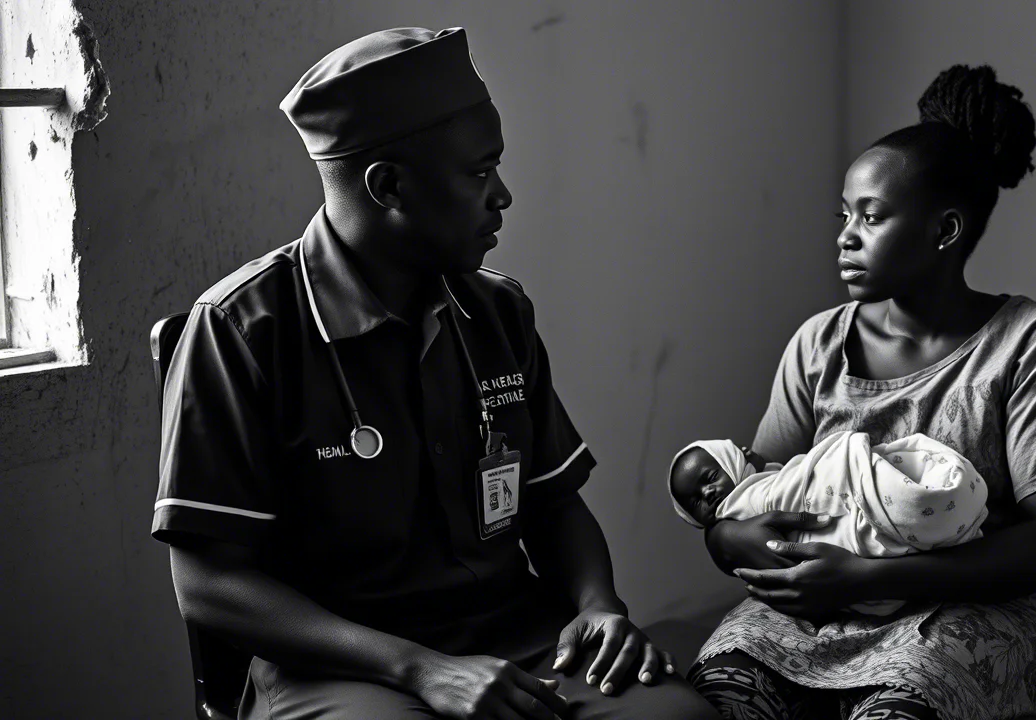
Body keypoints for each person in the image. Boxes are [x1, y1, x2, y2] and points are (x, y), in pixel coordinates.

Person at [152, 27, 717, 720]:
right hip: (342, 667)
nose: (503, 195)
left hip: (521, 642)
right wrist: (420, 669)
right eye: (479, 173)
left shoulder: (497, 310)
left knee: (680, 717)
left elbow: (553, 502)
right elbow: (208, 584)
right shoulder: (242, 330)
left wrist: (599, 607)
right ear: (389, 186)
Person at [689, 64, 1036, 720]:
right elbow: (758, 492)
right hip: (826, 608)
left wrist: (877, 577)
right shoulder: (819, 344)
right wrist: (730, 540)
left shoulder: (1032, 342)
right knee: (721, 699)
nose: (844, 236)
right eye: (844, 215)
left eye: (871, 217)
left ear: (944, 231)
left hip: (989, 613)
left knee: (899, 710)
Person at [669, 432, 989, 617]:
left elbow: (802, 479)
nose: (708, 493)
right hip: (816, 575)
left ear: (737, 459)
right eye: (696, 501)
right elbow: (774, 487)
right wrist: (722, 536)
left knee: (908, 496)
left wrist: (866, 579)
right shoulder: (815, 344)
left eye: (710, 478)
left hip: (952, 581)